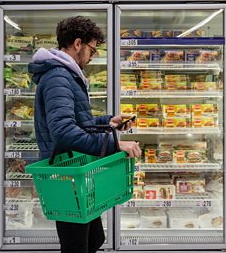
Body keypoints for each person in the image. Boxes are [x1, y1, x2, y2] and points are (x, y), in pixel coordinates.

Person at [28, 16, 142, 253]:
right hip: (65, 171)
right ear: (78, 44)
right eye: (92, 49)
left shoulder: (66, 75)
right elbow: (63, 132)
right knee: (77, 246)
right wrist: (114, 144)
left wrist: (107, 123)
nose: (93, 56)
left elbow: (77, 122)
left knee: (93, 240)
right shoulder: (58, 76)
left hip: (75, 169)